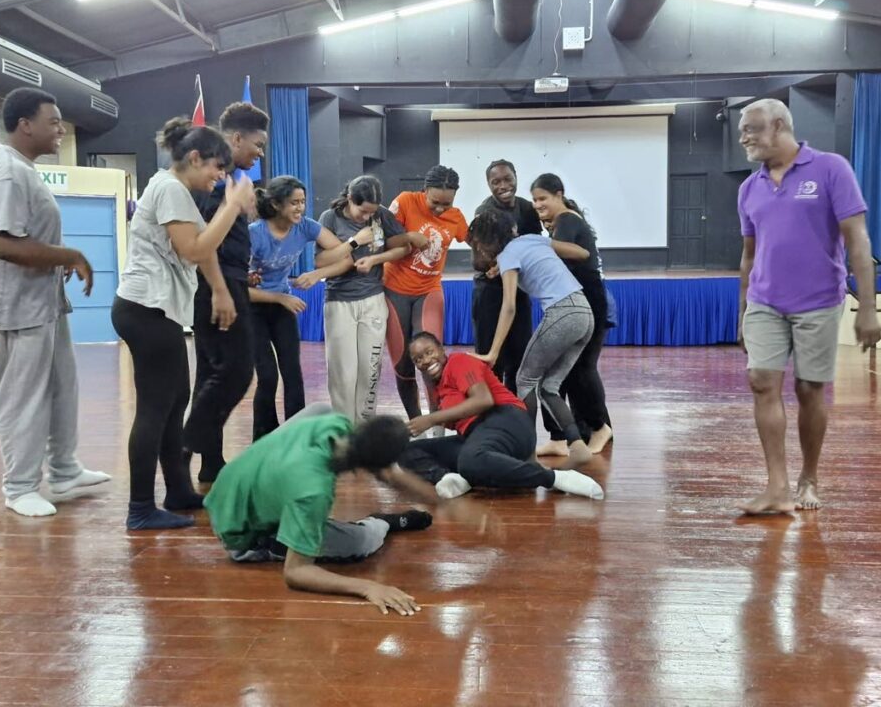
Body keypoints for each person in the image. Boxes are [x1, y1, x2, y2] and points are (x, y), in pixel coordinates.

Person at [736, 98, 881, 514]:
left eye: (751, 128)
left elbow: (858, 240)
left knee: (808, 390)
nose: (744, 136)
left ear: (779, 125)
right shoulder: (750, 188)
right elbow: (748, 255)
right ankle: (777, 487)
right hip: (764, 300)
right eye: (743, 130)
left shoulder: (831, 168)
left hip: (819, 301)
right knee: (762, 381)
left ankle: (809, 476)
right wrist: (743, 311)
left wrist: (867, 307)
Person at [0, 87, 110, 518]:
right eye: (52, 122)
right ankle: (19, 486)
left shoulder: (21, 168)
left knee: (61, 386)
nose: (59, 129)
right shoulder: (9, 171)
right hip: (17, 305)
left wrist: (57, 255)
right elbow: (4, 243)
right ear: (24, 124)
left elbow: (29, 235)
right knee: (22, 396)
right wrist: (69, 255)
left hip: (42, 300)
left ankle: (65, 470)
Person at [112, 118, 255, 530]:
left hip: (158, 311)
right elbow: (194, 248)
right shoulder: (170, 188)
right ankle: (140, 508)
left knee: (175, 403)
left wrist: (221, 290)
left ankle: (177, 491)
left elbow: (201, 245)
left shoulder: (177, 190)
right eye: (217, 169)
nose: (219, 178)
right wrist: (231, 206)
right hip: (145, 311)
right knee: (155, 410)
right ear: (195, 158)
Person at [203, 405, 439, 615]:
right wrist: (369, 587)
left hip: (224, 491)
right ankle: (384, 523)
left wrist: (446, 504)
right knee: (360, 541)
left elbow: (389, 474)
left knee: (318, 410)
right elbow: (296, 573)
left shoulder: (331, 422)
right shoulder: (314, 491)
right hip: (240, 537)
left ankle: (282, 508)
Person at [401, 332, 604, 500]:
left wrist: (430, 419)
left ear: (442, 349)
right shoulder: (438, 389)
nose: (426, 361)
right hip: (479, 436)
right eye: (418, 359)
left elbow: (483, 400)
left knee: (470, 460)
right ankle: (451, 479)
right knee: (407, 452)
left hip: (507, 419)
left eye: (429, 352)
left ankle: (553, 478)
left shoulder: (459, 362)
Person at [468, 209, 598, 467]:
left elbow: (509, 307)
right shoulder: (533, 241)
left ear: (487, 242)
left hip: (563, 313)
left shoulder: (507, 256)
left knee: (524, 379)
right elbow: (582, 253)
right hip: (585, 313)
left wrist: (493, 353)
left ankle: (526, 455)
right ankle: (578, 445)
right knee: (549, 386)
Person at [248, 176, 373, 440]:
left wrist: (323, 270)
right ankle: (263, 440)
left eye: (303, 202)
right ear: (276, 204)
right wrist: (280, 298)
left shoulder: (305, 226)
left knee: (293, 374)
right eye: (294, 203)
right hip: (253, 308)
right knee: (268, 376)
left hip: (282, 304)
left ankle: (297, 437)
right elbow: (239, 288)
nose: (300, 208)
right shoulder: (256, 233)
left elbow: (342, 255)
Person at [183, 101, 269, 483]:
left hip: (229, 279)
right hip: (217, 283)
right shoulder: (216, 178)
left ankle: (209, 461)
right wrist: (220, 289)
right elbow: (205, 241)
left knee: (212, 375)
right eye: (258, 145)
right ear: (236, 138)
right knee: (235, 371)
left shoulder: (233, 179)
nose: (260, 153)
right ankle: (184, 443)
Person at [316, 176, 413, 422]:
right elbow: (320, 261)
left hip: (373, 299)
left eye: (371, 212)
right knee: (343, 373)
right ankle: (343, 427)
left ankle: (364, 427)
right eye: (362, 211)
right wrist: (355, 241)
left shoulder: (381, 215)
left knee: (369, 370)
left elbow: (404, 247)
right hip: (339, 301)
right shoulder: (330, 217)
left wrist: (374, 260)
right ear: (350, 199)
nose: (367, 217)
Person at [530, 174, 614, 457]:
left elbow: (567, 257)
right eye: (534, 200)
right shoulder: (563, 223)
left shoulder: (567, 219)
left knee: (581, 370)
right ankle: (558, 437)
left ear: (559, 195)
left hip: (587, 304)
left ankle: (599, 427)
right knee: (560, 372)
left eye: (543, 198)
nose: (538, 204)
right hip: (574, 304)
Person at [383, 165, 469, 419]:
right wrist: (409, 235)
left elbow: (479, 241)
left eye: (447, 203)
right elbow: (382, 240)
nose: (441, 209)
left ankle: (438, 421)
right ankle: (416, 423)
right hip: (395, 291)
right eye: (435, 202)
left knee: (431, 360)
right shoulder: (405, 202)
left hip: (429, 291)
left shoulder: (456, 217)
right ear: (424, 191)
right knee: (404, 363)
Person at [471, 160, 541, 393]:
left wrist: (509, 261)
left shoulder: (528, 209)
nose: (503, 185)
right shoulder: (484, 212)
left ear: (516, 177)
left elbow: (535, 246)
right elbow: (481, 261)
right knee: (491, 361)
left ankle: (517, 418)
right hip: (490, 293)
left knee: (520, 360)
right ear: (488, 184)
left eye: (507, 179)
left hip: (519, 290)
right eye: (496, 181)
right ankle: (492, 421)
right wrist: (498, 264)